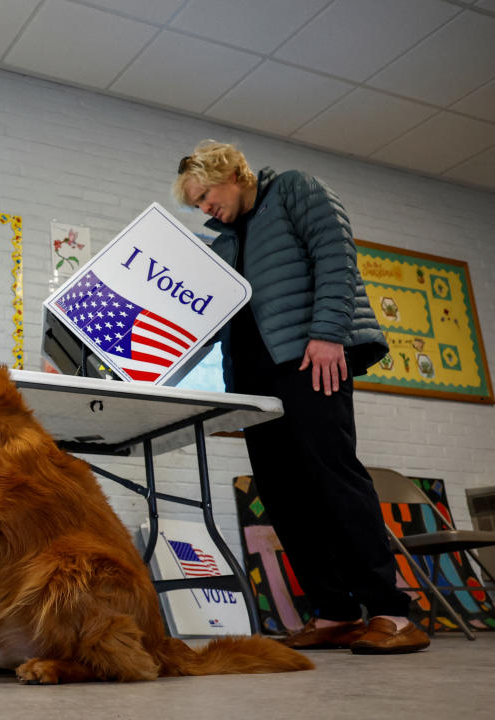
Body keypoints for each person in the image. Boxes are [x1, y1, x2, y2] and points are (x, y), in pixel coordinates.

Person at [172, 140, 429, 654]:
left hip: (309, 361)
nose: (204, 209)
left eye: (204, 195)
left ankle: (392, 613)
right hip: (253, 381)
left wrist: (330, 333)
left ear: (230, 173)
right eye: (196, 204)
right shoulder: (223, 244)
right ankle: (334, 613)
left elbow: (336, 256)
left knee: (334, 480)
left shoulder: (293, 189)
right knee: (284, 495)